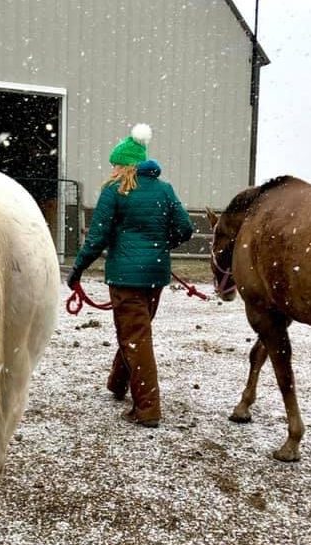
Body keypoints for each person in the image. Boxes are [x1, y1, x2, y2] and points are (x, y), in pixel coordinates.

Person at [67, 124, 194, 428]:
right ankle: (117, 383)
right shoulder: (164, 189)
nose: (112, 170)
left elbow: (96, 237)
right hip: (155, 276)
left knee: (135, 337)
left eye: (115, 165)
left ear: (123, 165)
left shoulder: (115, 191)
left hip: (125, 278)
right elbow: (186, 228)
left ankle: (148, 409)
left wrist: (77, 270)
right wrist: (161, 245)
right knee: (135, 332)